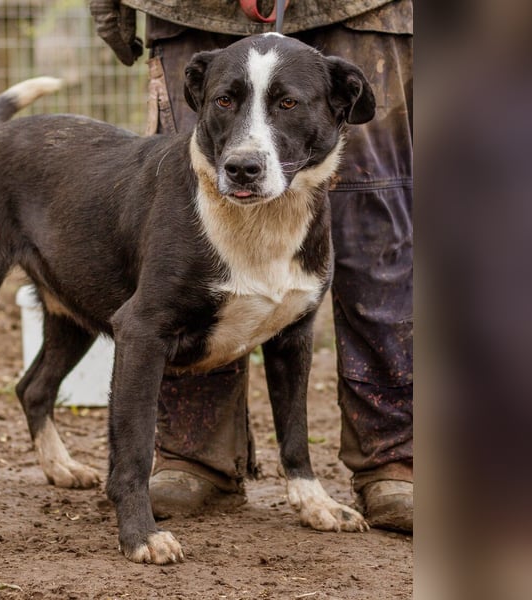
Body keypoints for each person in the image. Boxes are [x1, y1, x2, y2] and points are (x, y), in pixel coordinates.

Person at [90, 0, 413, 532]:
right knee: (185, 257)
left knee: (377, 229)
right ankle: (194, 452)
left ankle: (392, 454)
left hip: (364, 10)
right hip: (193, 11)